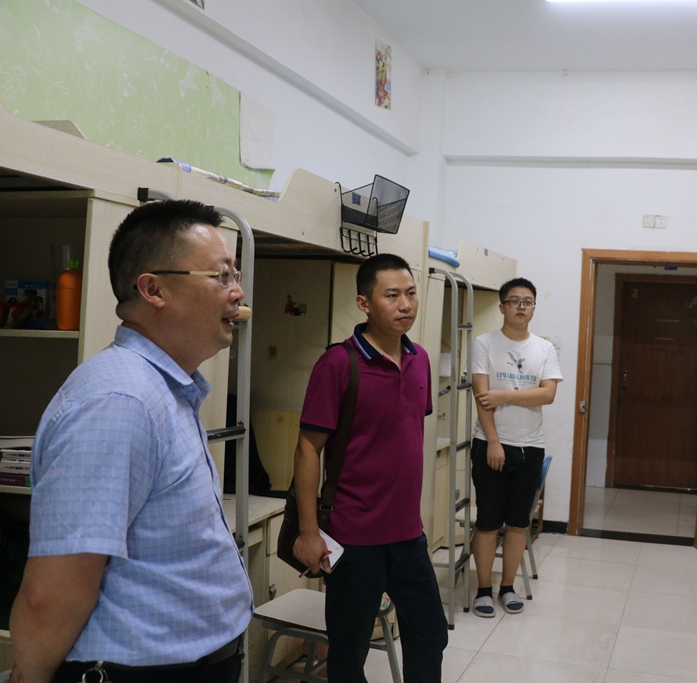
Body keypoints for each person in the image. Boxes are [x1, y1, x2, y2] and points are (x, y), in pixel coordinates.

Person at [10, 200, 252, 683]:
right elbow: (52, 594)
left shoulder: (164, 388)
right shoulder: (119, 401)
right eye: (221, 275)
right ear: (153, 289)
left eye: (235, 274)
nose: (237, 292)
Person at [292, 253, 447, 682]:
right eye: (392, 295)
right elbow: (307, 449)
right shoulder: (339, 364)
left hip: (408, 535)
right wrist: (309, 532)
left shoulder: (420, 359)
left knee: (430, 634)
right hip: (354, 537)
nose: (406, 305)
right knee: (348, 654)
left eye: (411, 294)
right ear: (364, 303)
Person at [470, 277, 562, 617]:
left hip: (530, 447)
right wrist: (494, 441)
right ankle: (483, 590)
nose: (521, 306)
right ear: (502, 307)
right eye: (514, 301)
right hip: (490, 444)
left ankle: (507, 587)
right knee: (487, 521)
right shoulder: (484, 343)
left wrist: (504, 395)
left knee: (518, 523)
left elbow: (548, 394)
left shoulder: (544, 348)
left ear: (534, 308)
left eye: (527, 301)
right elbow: (482, 396)